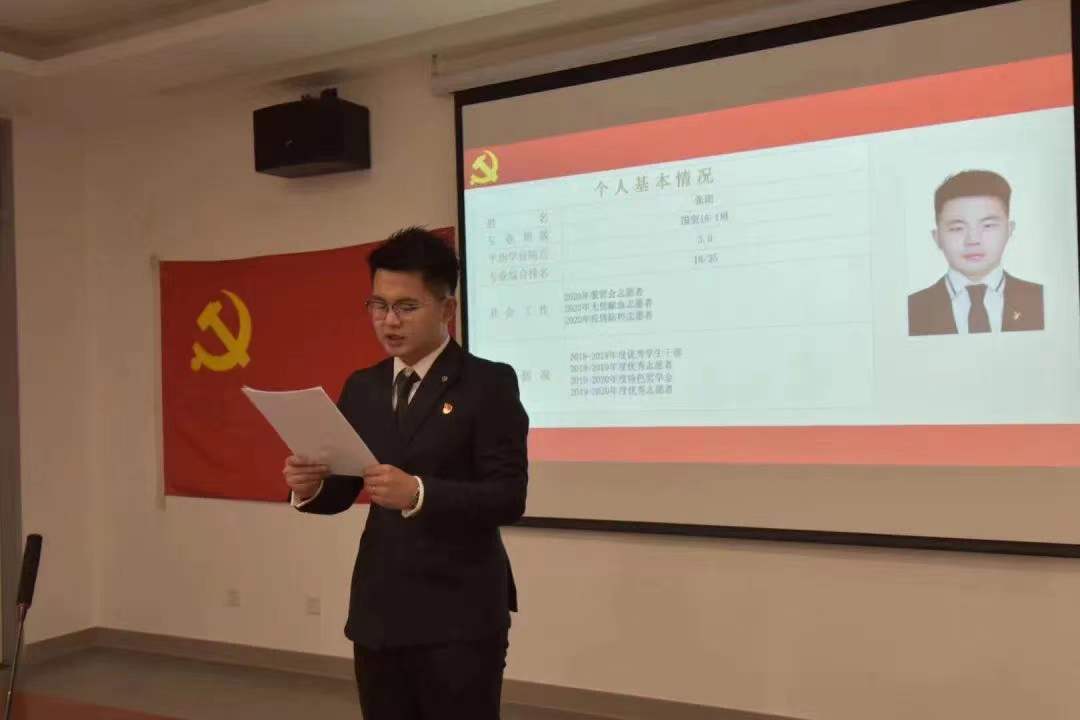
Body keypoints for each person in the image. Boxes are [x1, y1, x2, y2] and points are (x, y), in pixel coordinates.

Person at [283, 227, 528, 719]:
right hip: (379, 610)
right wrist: (310, 488)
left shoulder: (488, 383)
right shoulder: (364, 386)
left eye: (406, 307)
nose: (389, 321)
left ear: (447, 309)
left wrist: (418, 493)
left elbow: (508, 496)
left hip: (459, 616)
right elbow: (344, 488)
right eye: (378, 305)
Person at [908, 169, 1043, 336]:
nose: (973, 240)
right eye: (957, 228)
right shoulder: (912, 309)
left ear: (1009, 230)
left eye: (988, 226)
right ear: (937, 237)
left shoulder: (1040, 300)